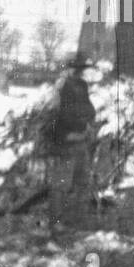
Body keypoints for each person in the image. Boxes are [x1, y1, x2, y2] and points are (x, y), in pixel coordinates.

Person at [47, 56, 98, 236]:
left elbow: (90, 110)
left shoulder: (82, 86)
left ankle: (77, 221)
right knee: (60, 184)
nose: (78, 72)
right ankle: (56, 224)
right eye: (76, 69)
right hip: (65, 140)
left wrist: (85, 122)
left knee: (82, 182)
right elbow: (62, 114)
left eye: (80, 69)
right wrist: (78, 123)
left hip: (80, 139)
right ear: (69, 69)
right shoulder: (62, 87)